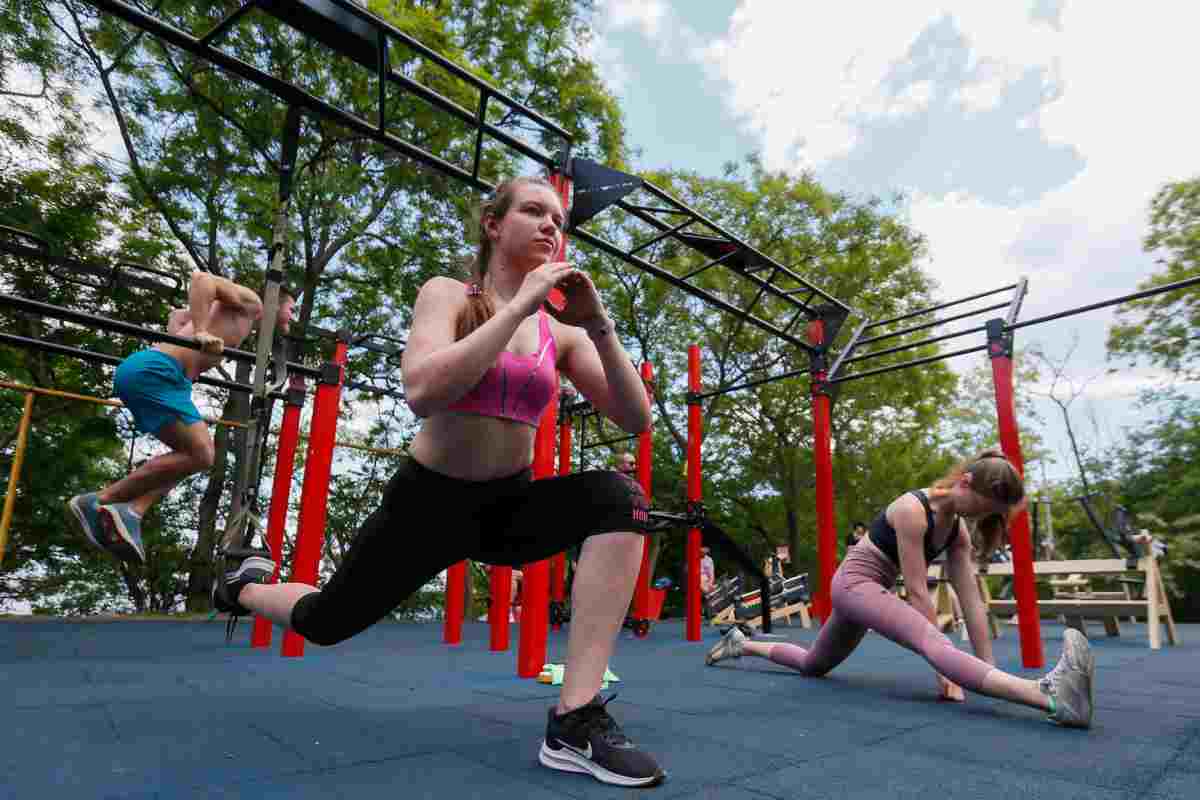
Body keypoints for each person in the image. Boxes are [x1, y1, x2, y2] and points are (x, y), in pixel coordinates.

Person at [205, 176, 665, 787]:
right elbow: (422, 390)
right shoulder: (447, 295)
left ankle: (575, 718)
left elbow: (635, 419)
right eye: (534, 211)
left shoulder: (567, 334)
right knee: (326, 621)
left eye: (559, 219)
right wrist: (520, 305)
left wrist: (600, 321)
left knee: (621, 499)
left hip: (507, 506)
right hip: (428, 503)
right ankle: (244, 586)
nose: (552, 225)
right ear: (494, 225)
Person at [706, 449, 1097, 729]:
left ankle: (744, 643)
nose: (981, 518)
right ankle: (1049, 695)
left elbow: (971, 601)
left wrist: (985, 667)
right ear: (964, 483)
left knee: (814, 665)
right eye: (983, 507)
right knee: (934, 641)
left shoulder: (957, 531)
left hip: (869, 594)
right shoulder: (913, 510)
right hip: (852, 586)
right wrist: (944, 673)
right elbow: (917, 592)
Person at [67, 274, 296, 564]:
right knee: (203, 454)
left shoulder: (233, 314)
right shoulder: (252, 302)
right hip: (158, 372)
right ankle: (100, 501)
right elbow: (202, 280)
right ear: (275, 302)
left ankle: (133, 512)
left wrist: (183, 335)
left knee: (191, 457)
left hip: (165, 376)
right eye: (291, 308)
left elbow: (176, 315)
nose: (293, 316)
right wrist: (200, 332)